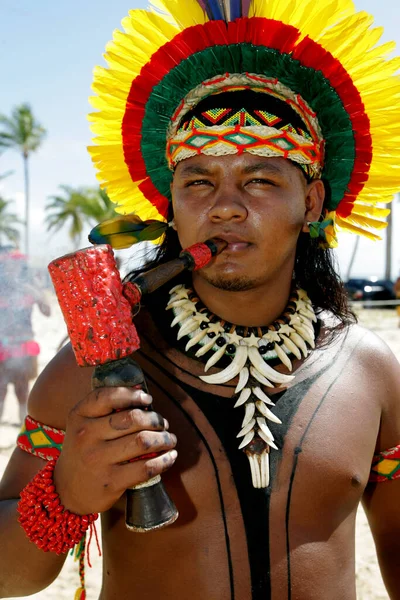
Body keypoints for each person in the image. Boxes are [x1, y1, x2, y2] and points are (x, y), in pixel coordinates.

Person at [1, 1, 400, 599]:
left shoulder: (372, 373)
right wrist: (68, 491)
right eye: (198, 182)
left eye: (261, 178)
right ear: (172, 208)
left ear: (312, 203)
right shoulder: (85, 373)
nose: (225, 206)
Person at [0, 250, 50, 424]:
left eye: (16, 265)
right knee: (0, 386)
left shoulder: (28, 289)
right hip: (2, 344)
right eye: (8, 264)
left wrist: (36, 292)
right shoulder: (1, 289)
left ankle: (23, 423)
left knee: (22, 387)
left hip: (24, 344)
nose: (12, 268)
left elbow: (47, 312)